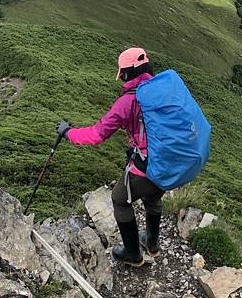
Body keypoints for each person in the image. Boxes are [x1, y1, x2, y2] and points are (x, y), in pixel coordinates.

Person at [56, 47, 163, 267]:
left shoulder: (127, 102)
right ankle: (152, 244)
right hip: (169, 162)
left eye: (122, 73)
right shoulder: (162, 89)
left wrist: (68, 133)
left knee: (120, 200)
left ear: (126, 73)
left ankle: (133, 254)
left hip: (145, 165)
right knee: (153, 197)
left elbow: (97, 135)